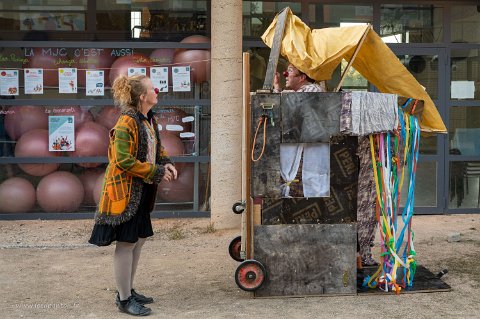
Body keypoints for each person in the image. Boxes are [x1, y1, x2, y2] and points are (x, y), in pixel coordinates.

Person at [89, 74, 177, 316]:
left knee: (137, 240)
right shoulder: (127, 121)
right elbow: (123, 161)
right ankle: (124, 299)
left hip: (141, 189)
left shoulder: (148, 119)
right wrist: (157, 170)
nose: (157, 91)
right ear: (142, 96)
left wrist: (166, 162)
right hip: (125, 192)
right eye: (153, 89)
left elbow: (157, 147)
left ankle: (127, 289)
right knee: (126, 243)